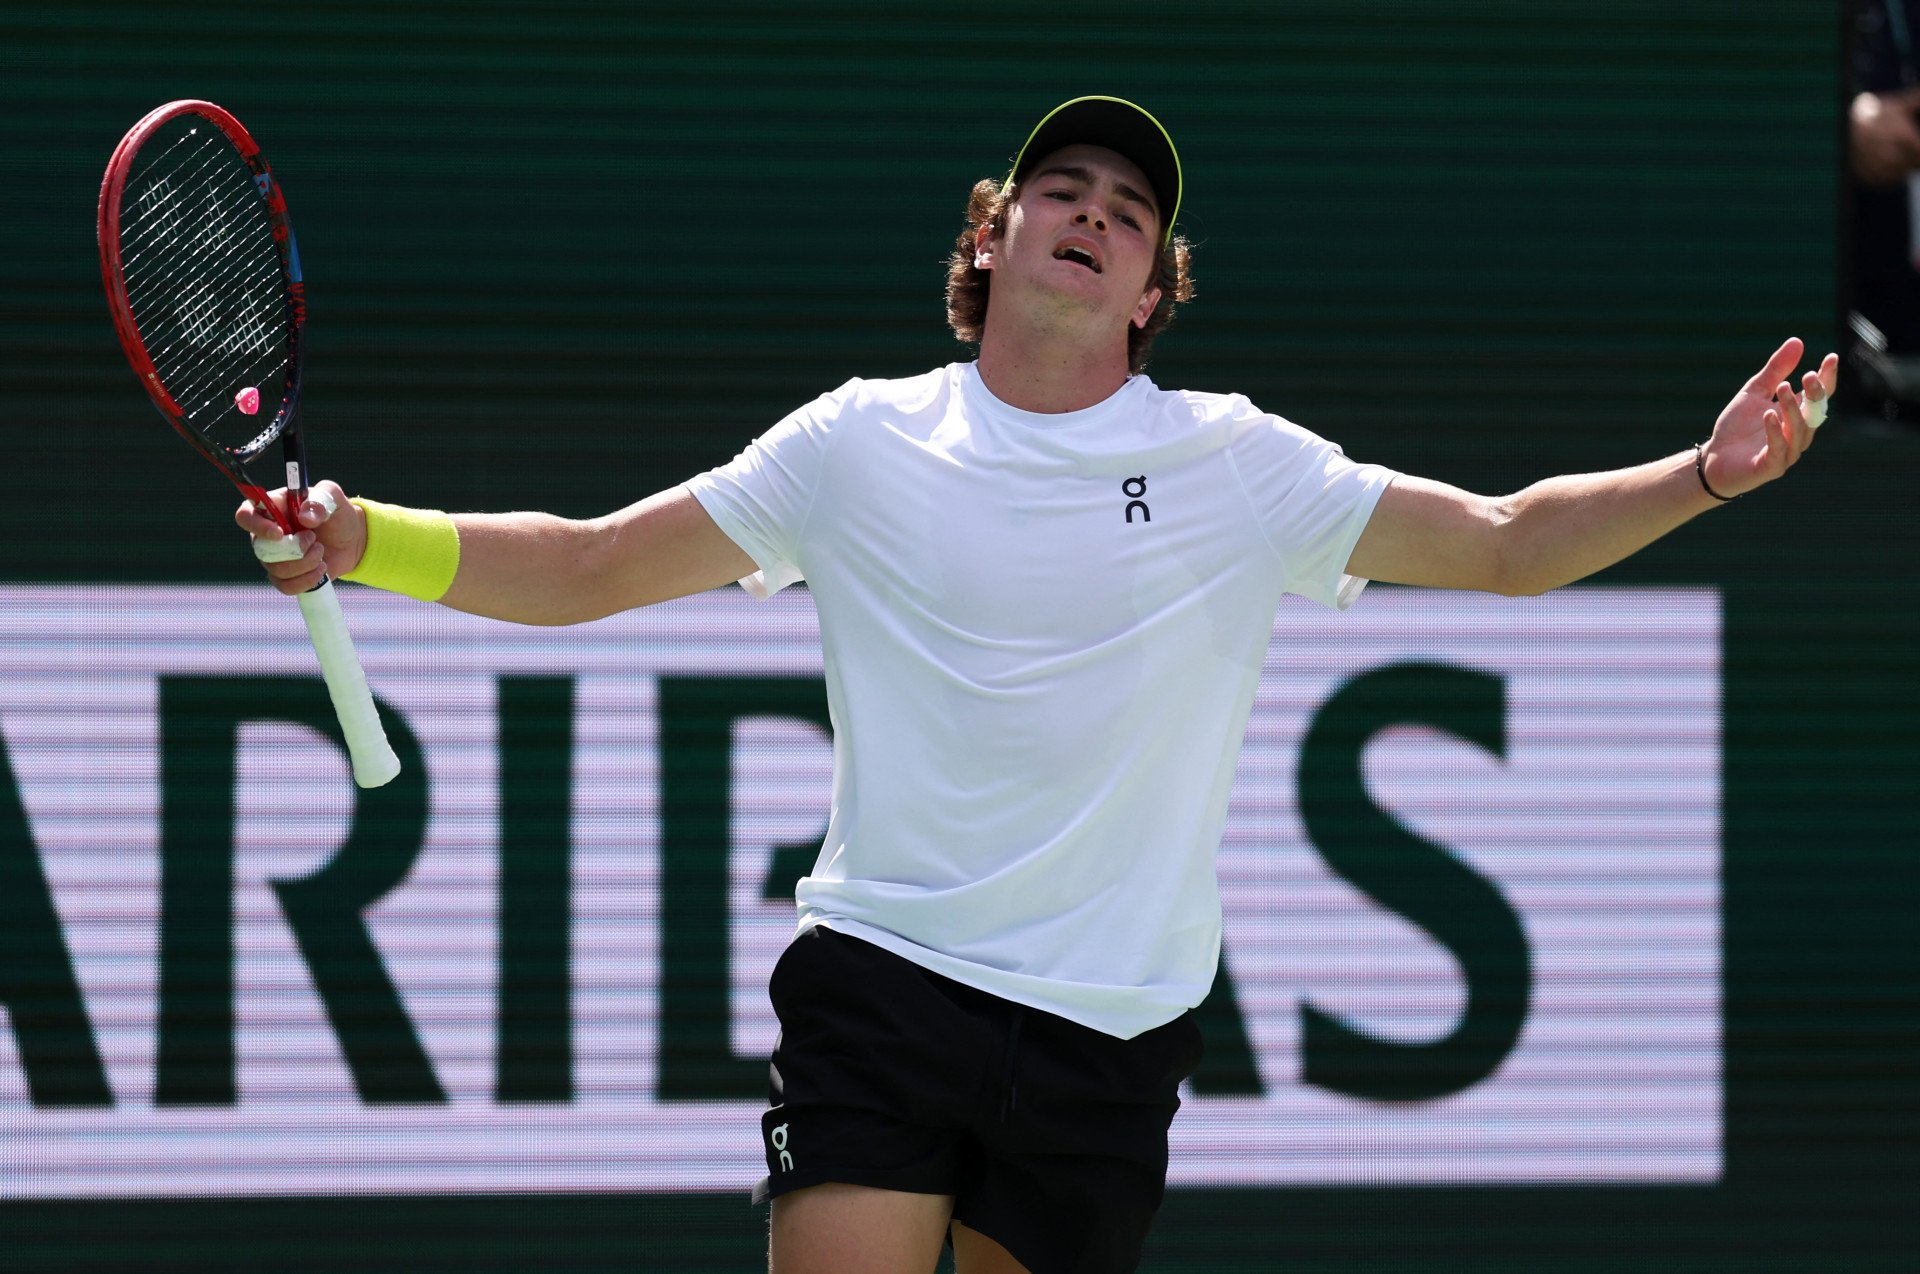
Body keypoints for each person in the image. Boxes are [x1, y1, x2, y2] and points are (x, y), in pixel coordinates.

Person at [239, 97, 1837, 1274]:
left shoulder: (1240, 464)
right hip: (885, 983)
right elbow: (586, 566)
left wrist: (1706, 470)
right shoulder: (857, 440)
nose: (1090, 212)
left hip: (1110, 1029)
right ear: (990, 241)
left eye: (1128, 211)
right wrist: (359, 535)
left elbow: (1502, 545)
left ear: (1151, 290)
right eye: (1057, 189)